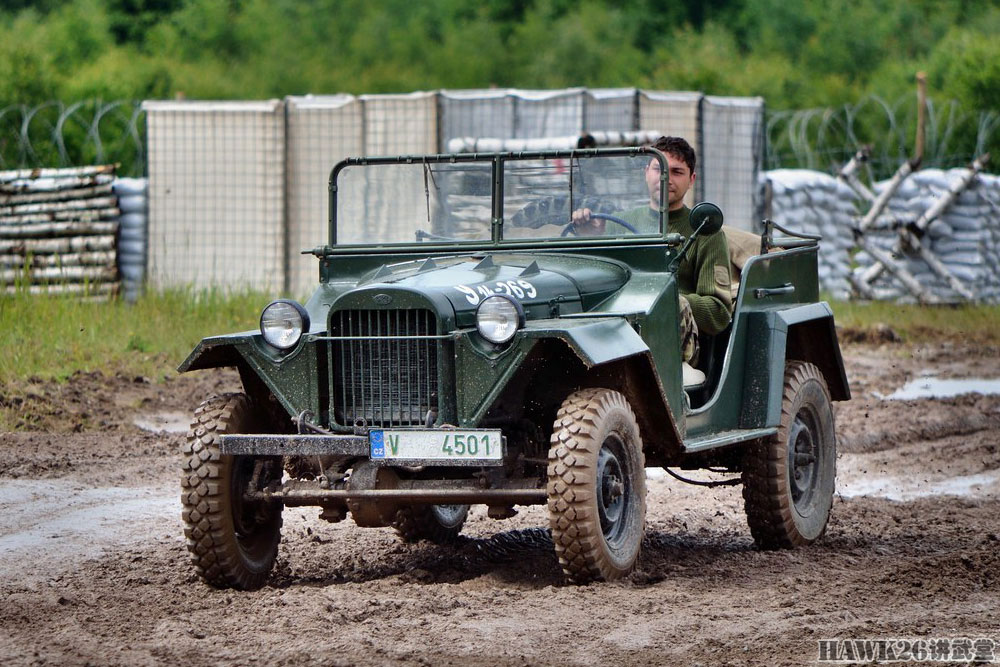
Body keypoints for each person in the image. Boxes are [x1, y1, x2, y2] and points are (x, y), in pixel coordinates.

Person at [572, 136, 732, 384]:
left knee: (670, 300)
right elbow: (594, 289)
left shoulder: (705, 232)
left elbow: (719, 312)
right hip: (614, 341)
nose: (666, 178)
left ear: (691, 180)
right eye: (659, 169)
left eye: (677, 172)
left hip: (674, 348)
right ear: (647, 172)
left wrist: (665, 301)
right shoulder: (617, 222)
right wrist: (589, 237)